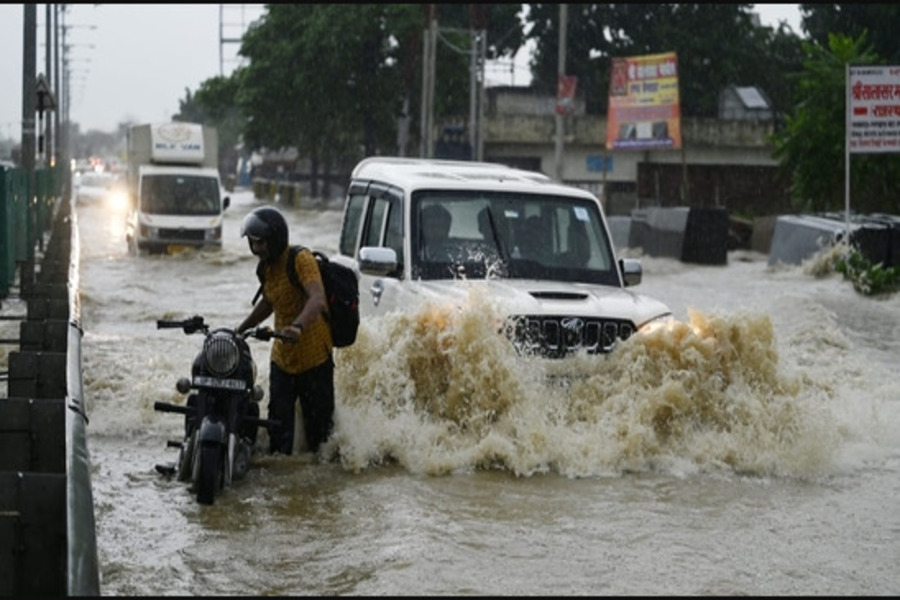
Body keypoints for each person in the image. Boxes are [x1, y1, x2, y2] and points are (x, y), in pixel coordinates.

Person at [236, 206, 334, 457]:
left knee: (319, 440)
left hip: (314, 358)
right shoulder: (266, 268)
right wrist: (240, 330)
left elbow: (317, 298)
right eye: (252, 244)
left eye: (260, 244)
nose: (256, 250)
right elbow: (269, 302)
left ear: (275, 240)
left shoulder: (301, 259)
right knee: (278, 439)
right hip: (282, 359)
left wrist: (299, 326)